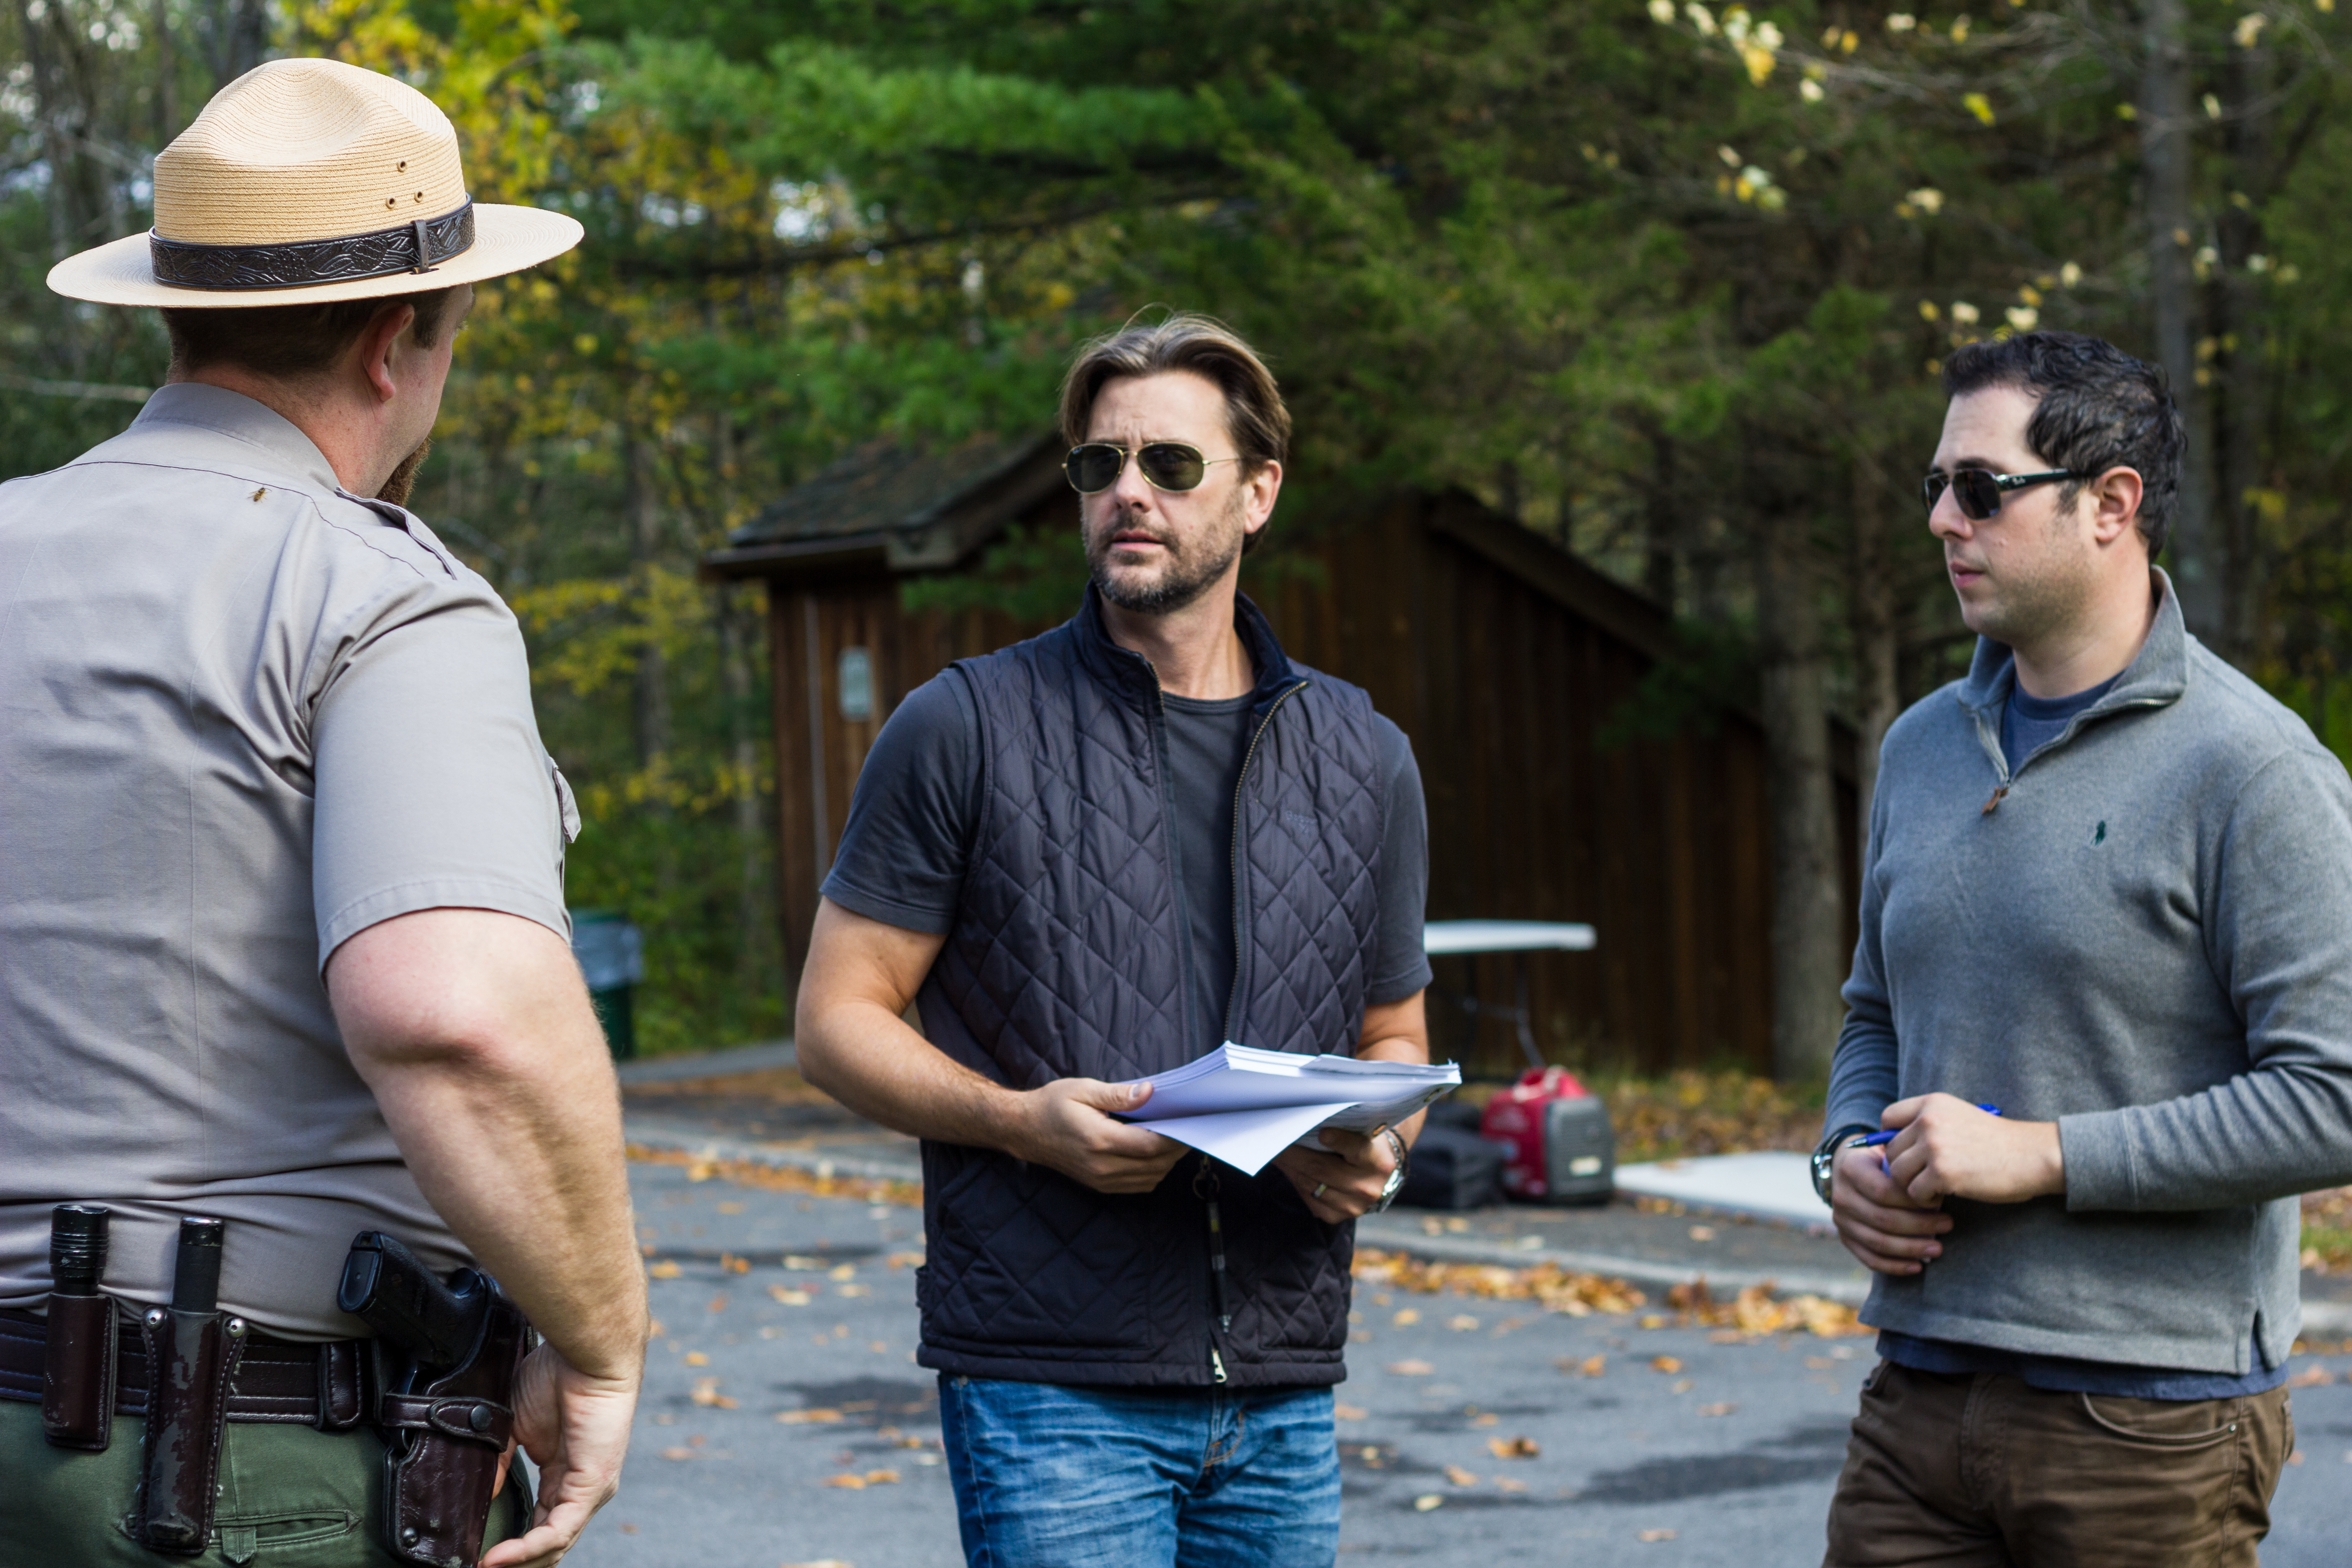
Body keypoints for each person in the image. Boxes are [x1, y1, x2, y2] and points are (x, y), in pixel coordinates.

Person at [0, 59, 646, 1567]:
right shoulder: (375, 596)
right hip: (219, 1473)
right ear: (391, 345)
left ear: (169, 314)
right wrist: (600, 1342)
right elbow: (458, 1020)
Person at [795, 313, 1433, 1566]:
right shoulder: (964, 726)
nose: (1127, 492)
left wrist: (1379, 1156)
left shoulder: (1365, 755)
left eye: (1170, 465)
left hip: (1285, 1388)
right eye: (1100, 466)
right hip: (1049, 1390)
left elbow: (1394, 1032)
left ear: (1258, 493)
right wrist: (1017, 1121)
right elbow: (835, 1021)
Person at [1813, 330, 2352, 1566]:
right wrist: (1844, 1150)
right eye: (1938, 487)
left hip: (2150, 1425)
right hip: (1917, 1395)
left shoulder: (2255, 772)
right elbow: (1872, 1016)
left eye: (1983, 489)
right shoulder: (1919, 748)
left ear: (2112, 505)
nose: (1946, 519)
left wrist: (2044, 1156)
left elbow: (2336, 1094)